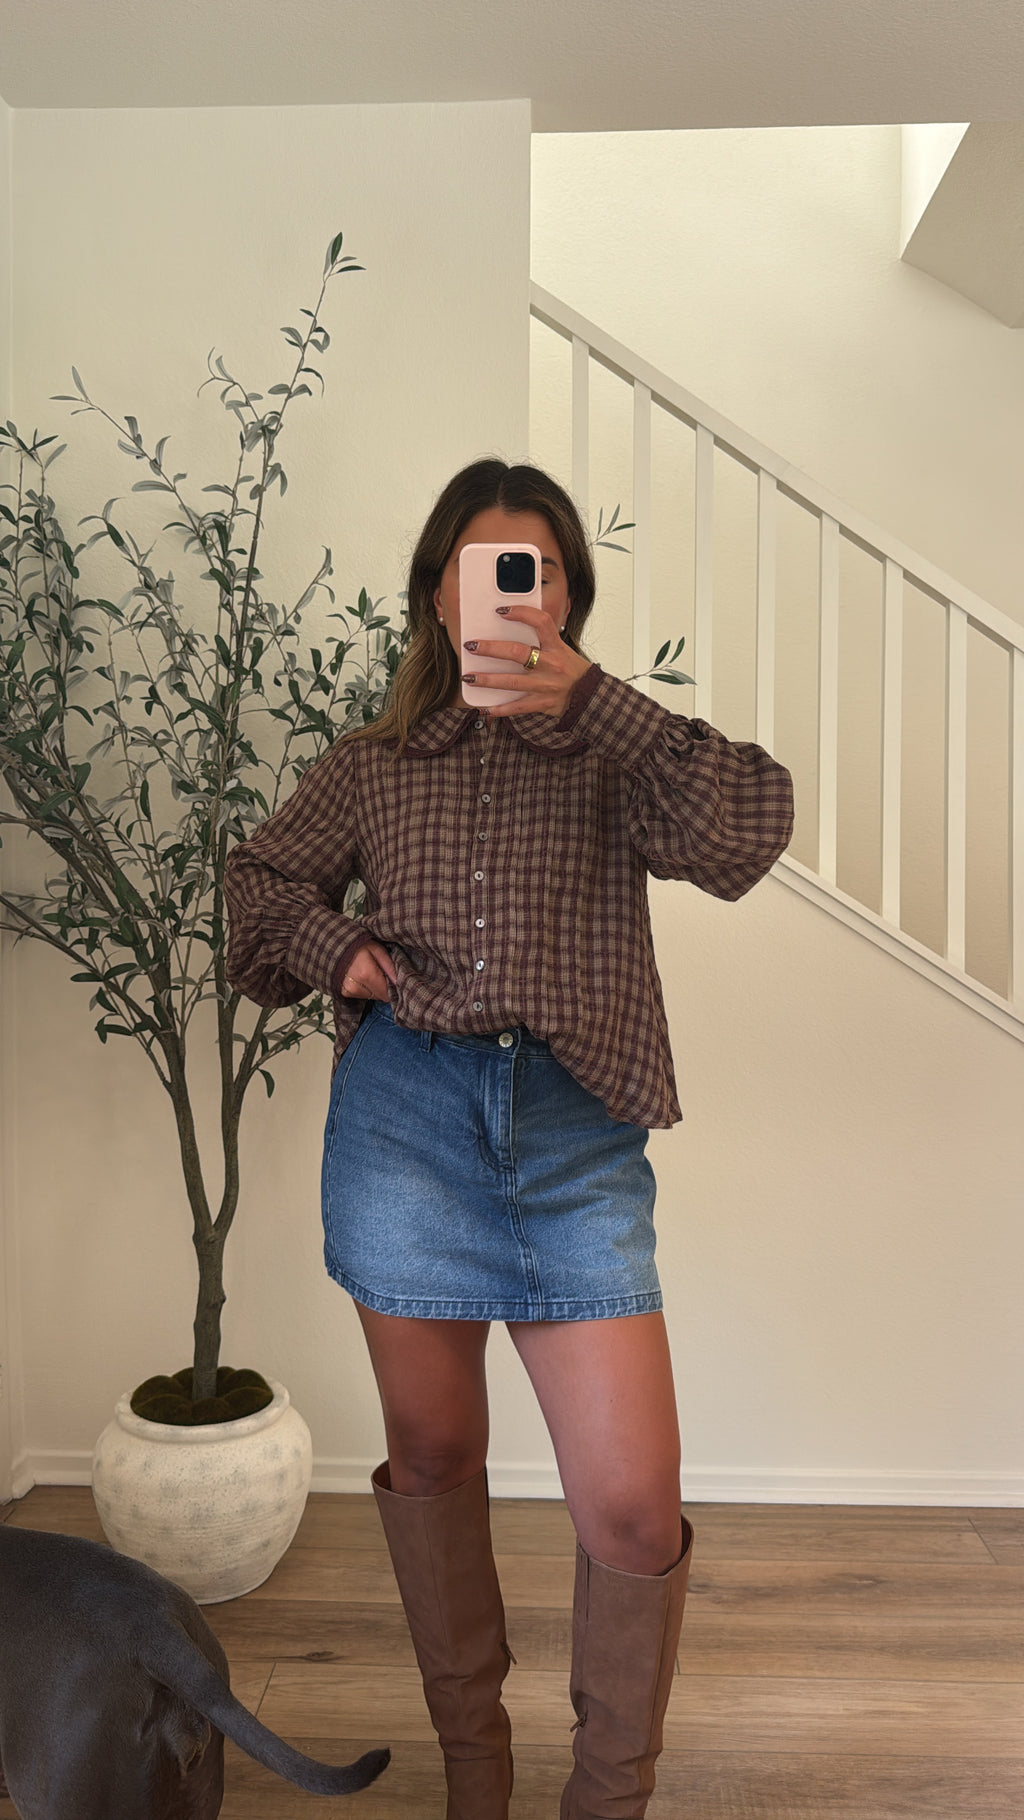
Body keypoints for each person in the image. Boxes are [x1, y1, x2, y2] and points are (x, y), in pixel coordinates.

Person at [224, 458, 794, 1819]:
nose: (507, 600)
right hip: (406, 1130)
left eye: (533, 577)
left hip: (573, 1144)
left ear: (566, 601)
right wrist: (345, 954)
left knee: (633, 1514)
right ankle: (475, 1775)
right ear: (437, 595)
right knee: (433, 1460)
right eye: (481, 573)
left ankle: (605, 1801)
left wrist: (595, 698)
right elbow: (256, 883)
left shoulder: (619, 760)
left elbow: (749, 829)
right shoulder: (374, 767)